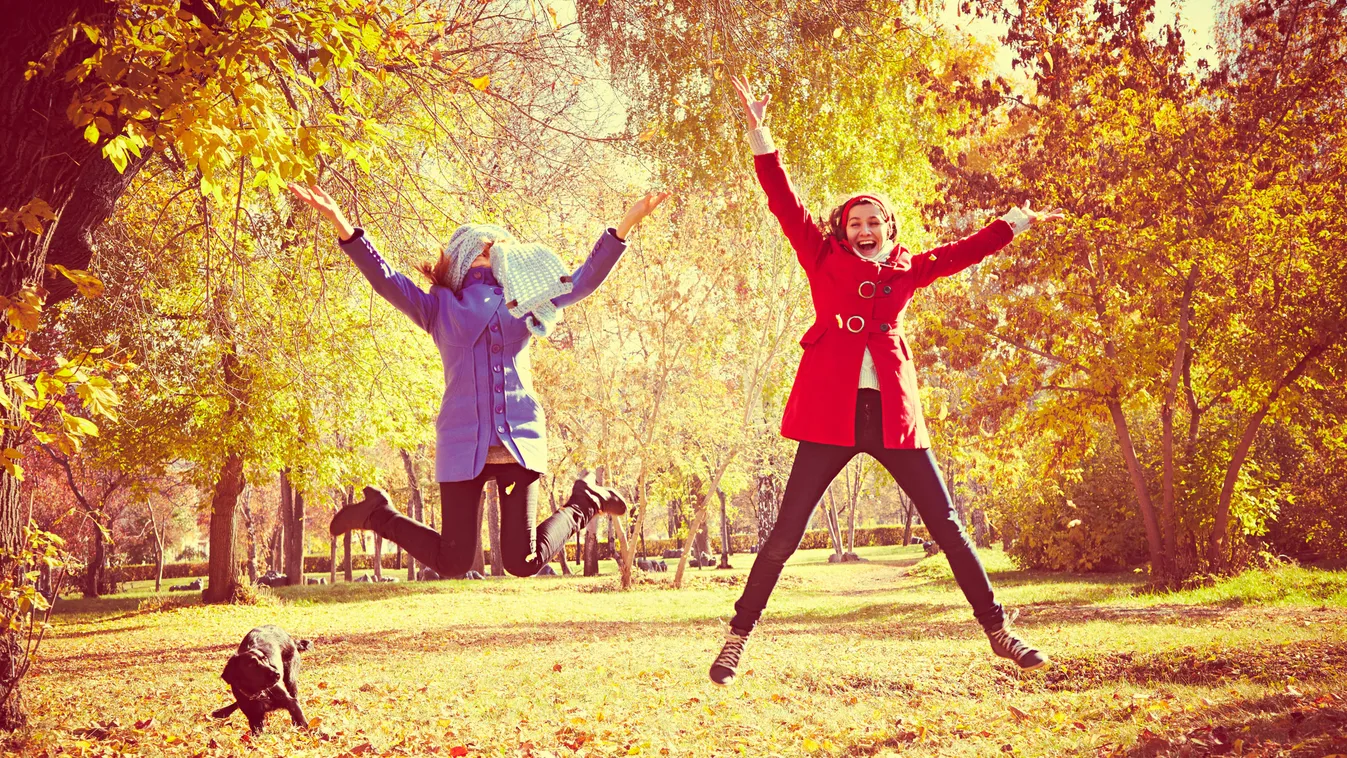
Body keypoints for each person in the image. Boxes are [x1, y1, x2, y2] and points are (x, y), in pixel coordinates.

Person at [709, 75, 1065, 685]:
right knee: (786, 533)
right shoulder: (820, 257)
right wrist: (759, 132)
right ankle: (738, 636)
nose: (865, 229)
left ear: (890, 229)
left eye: (875, 221)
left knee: (948, 526)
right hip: (830, 416)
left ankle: (999, 632)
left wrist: (1015, 222)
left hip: (893, 417)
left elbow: (961, 252)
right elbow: (782, 200)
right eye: (855, 222)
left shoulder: (907, 271)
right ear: (841, 230)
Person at [288, 183, 669, 578]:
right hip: (460, 440)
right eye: (491, 247)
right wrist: (344, 227)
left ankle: (585, 501)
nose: (500, 253)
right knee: (453, 562)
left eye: (503, 247)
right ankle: (379, 515)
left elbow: (582, 282)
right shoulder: (438, 306)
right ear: (471, 255)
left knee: (522, 562)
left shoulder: (525, 300)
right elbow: (386, 281)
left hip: (518, 439)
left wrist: (624, 226)